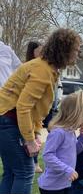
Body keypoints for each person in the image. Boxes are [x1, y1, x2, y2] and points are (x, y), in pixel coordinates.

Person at [0, 28, 81, 194]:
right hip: (9, 121)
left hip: (7, 120)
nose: (77, 54)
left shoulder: (45, 69)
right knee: (25, 171)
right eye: (76, 50)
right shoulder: (41, 71)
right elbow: (24, 107)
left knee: (11, 172)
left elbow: (35, 108)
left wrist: (35, 132)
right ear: (64, 50)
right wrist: (28, 140)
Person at [25, 41, 45, 174]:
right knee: (30, 136)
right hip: (28, 110)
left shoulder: (42, 68)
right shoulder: (27, 68)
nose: (42, 53)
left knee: (37, 135)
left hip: (38, 110)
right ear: (33, 51)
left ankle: (35, 162)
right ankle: (31, 163)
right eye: (40, 50)